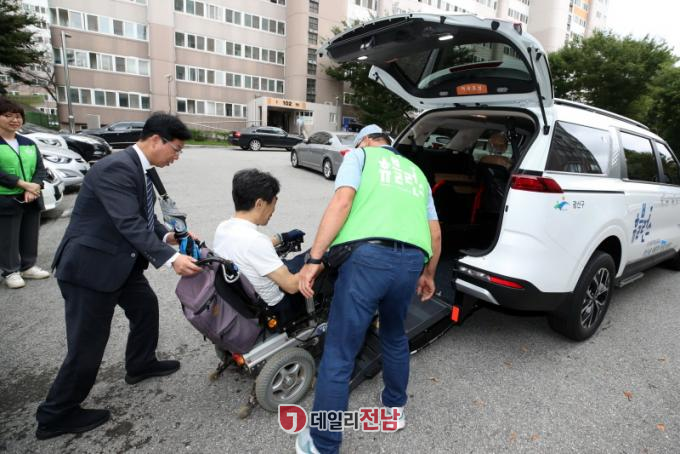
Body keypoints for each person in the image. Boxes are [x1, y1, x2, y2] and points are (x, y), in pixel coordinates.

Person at [35, 113, 202, 440]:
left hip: (120, 263)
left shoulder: (140, 168)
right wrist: (171, 259)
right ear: (156, 140)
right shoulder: (115, 168)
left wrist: (169, 236)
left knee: (146, 307)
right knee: (87, 344)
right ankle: (55, 414)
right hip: (90, 268)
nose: (177, 157)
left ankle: (140, 364)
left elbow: (144, 218)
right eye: (176, 149)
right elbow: (129, 222)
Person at [295, 124, 442, 454]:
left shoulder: (360, 157)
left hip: (367, 260)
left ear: (365, 141)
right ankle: (394, 410)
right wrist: (429, 274)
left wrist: (315, 258)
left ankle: (323, 443)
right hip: (410, 262)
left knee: (340, 351)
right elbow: (434, 232)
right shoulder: (416, 172)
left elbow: (342, 202)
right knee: (394, 334)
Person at [213, 168, 307, 325]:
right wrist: (319, 264)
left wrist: (280, 238)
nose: (273, 211)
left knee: (300, 260)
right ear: (259, 204)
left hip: (243, 299)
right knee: (315, 262)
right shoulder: (256, 241)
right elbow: (291, 286)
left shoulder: (223, 228)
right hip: (276, 308)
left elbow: (245, 248)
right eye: (273, 204)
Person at [0, 98, 50, 289]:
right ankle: (10, 271)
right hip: (6, 197)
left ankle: (28, 266)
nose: (15, 120)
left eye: (18, 116)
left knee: (30, 233)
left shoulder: (28, 142)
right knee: (8, 237)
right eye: (8, 115)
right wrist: (22, 185)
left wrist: (35, 186)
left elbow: (40, 168)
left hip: (31, 195)